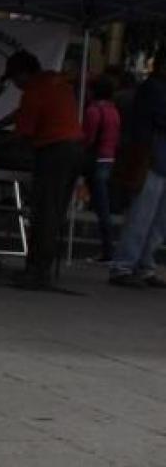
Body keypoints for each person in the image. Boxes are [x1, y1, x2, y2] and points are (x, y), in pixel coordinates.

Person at [3, 49, 84, 289]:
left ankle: (38, 271)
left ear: (23, 74)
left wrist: (1, 142)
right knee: (55, 211)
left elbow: (24, 132)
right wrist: (0, 123)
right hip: (74, 149)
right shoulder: (55, 81)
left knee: (45, 212)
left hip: (55, 152)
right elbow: (25, 116)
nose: (15, 85)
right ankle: (42, 268)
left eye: (15, 79)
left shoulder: (33, 91)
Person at [108, 50, 166, 289]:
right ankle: (124, 265)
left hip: (159, 159)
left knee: (158, 219)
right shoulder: (152, 88)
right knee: (142, 215)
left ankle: (144, 264)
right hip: (150, 158)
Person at [82, 75, 121, 264]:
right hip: (109, 157)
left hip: (95, 158)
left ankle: (108, 250)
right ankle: (108, 248)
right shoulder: (113, 111)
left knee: (100, 206)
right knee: (103, 206)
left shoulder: (93, 111)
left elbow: (87, 138)